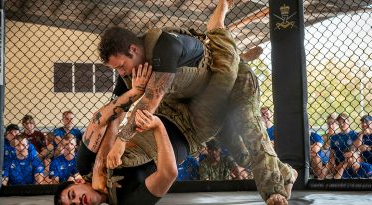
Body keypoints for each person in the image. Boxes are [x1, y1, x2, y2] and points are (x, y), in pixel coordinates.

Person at [98, 0, 296, 204]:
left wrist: (121, 140)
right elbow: (115, 111)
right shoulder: (131, 71)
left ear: (133, 49)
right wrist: (98, 169)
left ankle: (274, 191)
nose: (121, 72)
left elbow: (152, 99)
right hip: (207, 100)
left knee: (250, 127)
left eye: (121, 66)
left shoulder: (163, 46)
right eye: (116, 69)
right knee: (242, 155)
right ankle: (287, 173)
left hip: (235, 79)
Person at [54, 110, 177, 205]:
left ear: (78, 182)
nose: (77, 201)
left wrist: (99, 166)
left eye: (72, 195)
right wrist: (158, 126)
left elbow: (110, 118)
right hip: (186, 130)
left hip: (159, 108)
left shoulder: (85, 164)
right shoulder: (127, 202)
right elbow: (168, 173)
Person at [326, 113, 358, 177]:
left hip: (351, 162)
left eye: (343, 122)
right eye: (339, 122)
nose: (341, 124)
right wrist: (332, 166)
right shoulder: (334, 137)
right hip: (337, 164)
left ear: (348, 122)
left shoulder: (356, 135)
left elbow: (357, 152)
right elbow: (332, 155)